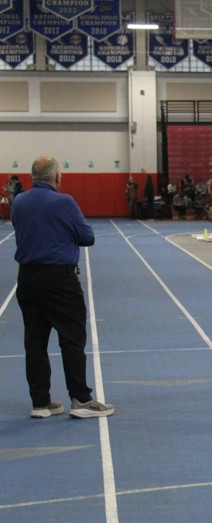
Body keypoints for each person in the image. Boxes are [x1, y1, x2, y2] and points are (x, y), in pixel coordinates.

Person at [12, 156, 114, 419]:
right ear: (57, 176)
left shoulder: (19, 201)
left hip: (27, 278)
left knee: (35, 342)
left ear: (33, 176)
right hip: (59, 279)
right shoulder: (64, 202)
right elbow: (87, 237)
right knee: (72, 338)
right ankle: (81, 399)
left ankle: (40, 402)